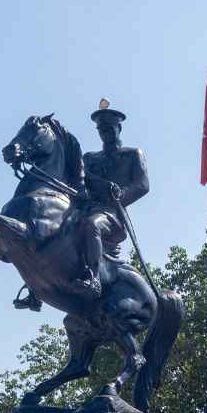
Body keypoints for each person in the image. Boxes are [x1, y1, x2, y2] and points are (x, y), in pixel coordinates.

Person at [75, 99, 149, 298]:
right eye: (101, 129)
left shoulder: (133, 155)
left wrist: (120, 193)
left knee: (92, 225)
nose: (104, 132)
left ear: (119, 128)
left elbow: (143, 185)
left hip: (112, 215)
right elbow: (79, 182)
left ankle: (94, 278)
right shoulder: (90, 159)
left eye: (108, 128)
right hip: (87, 208)